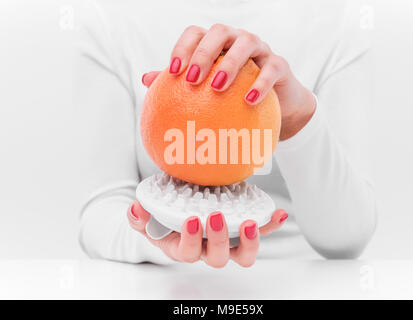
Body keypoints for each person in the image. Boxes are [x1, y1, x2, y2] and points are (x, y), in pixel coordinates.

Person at [74, 0, 377, 268]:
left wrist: (297, 119)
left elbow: (348, 240)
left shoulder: (339, 18)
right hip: (162, 283)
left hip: (296, 280)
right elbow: (100, 211)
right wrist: (161, 236)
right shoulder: (108, 17)